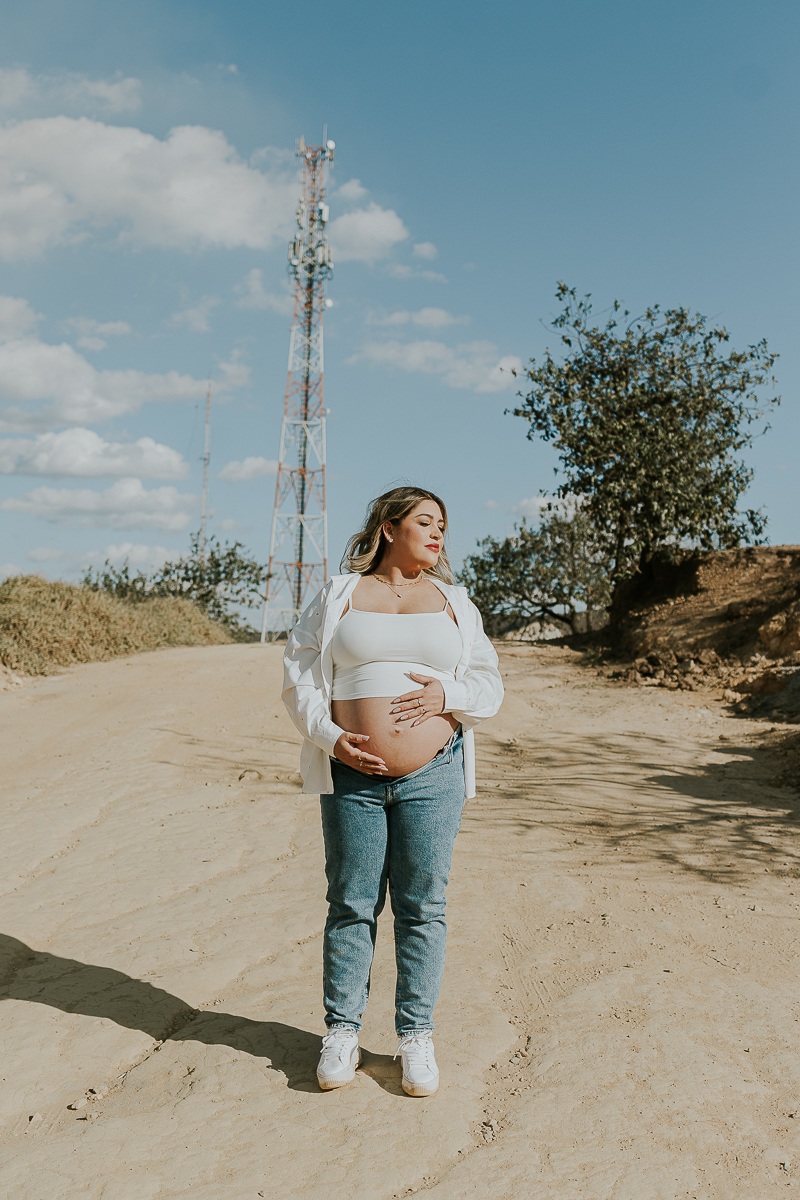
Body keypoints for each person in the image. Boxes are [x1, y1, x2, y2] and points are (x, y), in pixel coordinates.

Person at [282, 486, 504, 1097]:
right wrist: (331, 738)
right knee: (351, 902)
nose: (438, 534)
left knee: (422, 905)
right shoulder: (339, 595)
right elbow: (299, 672)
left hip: (433, 773)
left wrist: (447, 695)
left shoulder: (455, 602)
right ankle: (342, 1032)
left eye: (442, 525)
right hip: (351, 773)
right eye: (425, 522)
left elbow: (488, 683)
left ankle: (415, 1036)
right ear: (388, 526)